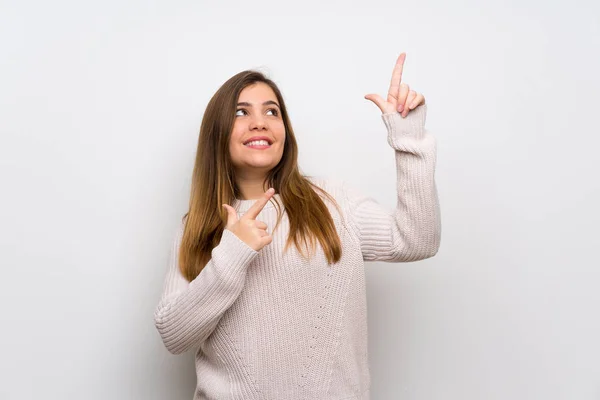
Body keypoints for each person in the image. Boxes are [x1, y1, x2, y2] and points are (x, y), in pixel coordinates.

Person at [154, 52, 441, 400]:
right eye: (241, 112)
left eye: (271, 111)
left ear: (284, 132)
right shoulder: (198, 227)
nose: (259, 122)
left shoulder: (334, 201)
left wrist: (409, 141)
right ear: (218, 132)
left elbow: (417, 241)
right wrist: (231, 254)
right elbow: (173, 335)